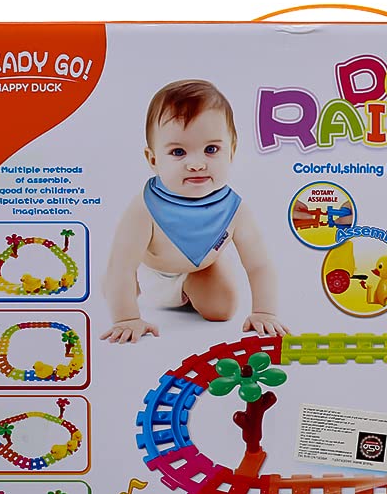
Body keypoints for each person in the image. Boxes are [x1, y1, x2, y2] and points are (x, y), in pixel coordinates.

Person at [101, 79, 288, 344]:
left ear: (232, 151)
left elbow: (259, 264)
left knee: (222, 310)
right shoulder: (146, 207)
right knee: (115, 283)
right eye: (178, 151)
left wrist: (264, 312)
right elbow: (121, 266)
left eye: (211, 149)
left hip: (200, 270)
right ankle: (127, 293)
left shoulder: (234, 209)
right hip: (149, 276)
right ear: (153, 160)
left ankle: (194, 286)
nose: (197, 164)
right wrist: (126, 318)